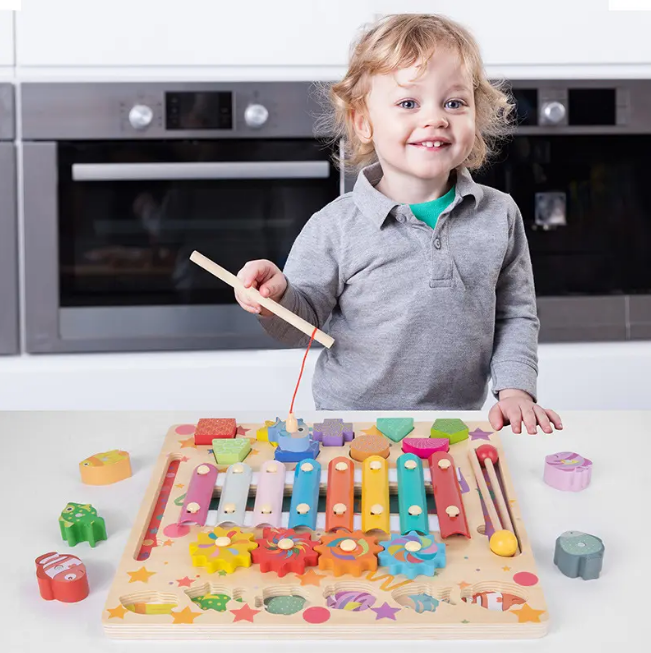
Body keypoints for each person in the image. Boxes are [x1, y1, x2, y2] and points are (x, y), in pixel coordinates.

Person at [234, 13, 562, 435]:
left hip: (453, 424)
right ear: (363, 122)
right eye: (409, 103)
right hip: (350, 427)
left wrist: (516, 391)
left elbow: (516, 316)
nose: (436, 118)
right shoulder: (334, 226)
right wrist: (276, 297)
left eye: (454, 102)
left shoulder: (499, 214)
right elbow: (298, 328)